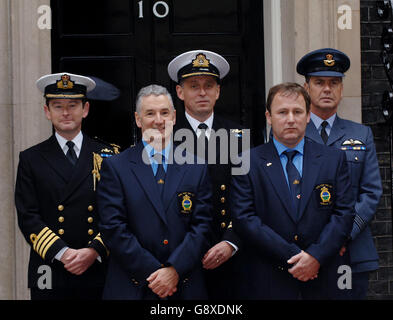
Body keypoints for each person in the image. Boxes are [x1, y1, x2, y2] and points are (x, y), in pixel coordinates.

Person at [230, 82, 354, 299]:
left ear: (308, 116)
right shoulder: (246, 162)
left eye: (297, 112)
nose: (290, 119)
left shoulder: (333, 159)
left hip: (322, 276)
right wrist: (295, 257)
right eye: (282, 112)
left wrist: (315, 256)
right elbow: (245, 219)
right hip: (268, 279)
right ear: (269, 117)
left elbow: (343, 214)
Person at [96, 84, 213, 300]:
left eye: (164, 112)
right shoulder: (116, 167)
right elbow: (112, 228)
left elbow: (202, 227)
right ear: (138, 120)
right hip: (133, 286)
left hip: (184, 286)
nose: (158, 120)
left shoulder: (196, 166)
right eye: (150, 113)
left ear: (174, 117)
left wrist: (174, 270)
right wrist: (155, 274)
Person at [15, 72, 116, 300]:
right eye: (58, 106)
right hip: (49, 268)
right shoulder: (31, 159)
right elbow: (28, 216)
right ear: (47, 112)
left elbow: (117, 213)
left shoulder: (108, 155)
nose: (66, 112)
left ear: (86, 109)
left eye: (73, 105)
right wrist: (63, 253)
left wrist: (93, 251)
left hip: (97, 266)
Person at [297, 48, 383, 299]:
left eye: (334, 83)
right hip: (305, 251)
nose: (327, 89)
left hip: (352, 250)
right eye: (319, 82)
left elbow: (371, 192)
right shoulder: (290, 133)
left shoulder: (361, 134)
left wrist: (342, 235)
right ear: (307, 88)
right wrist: (319, 245)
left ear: (341, 89)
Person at [168, 49, 249, 299]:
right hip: (178, 257)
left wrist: (231, 242)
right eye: (194, 86)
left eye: (209, 85)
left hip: (227, 253)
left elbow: (246, 196)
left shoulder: (238, 135)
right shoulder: (165, 135)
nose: (202, 92)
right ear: (180, 92)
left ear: (218, 91)